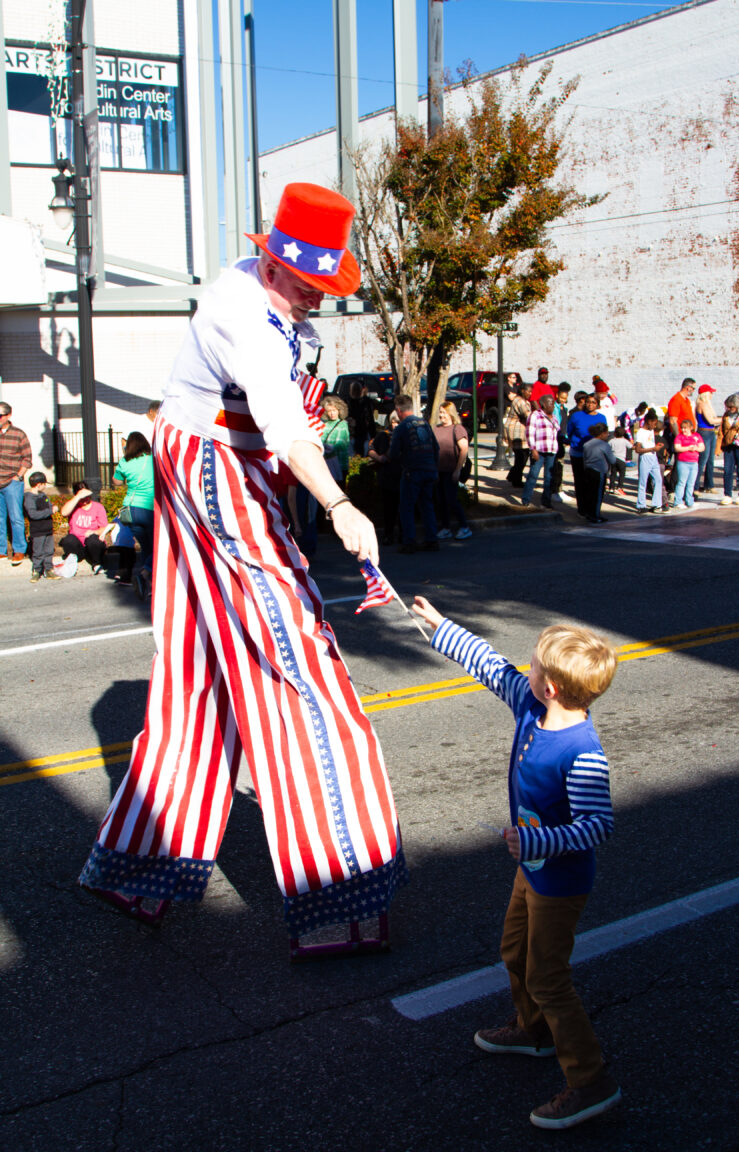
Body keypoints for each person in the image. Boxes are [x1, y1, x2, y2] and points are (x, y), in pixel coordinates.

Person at [80, 183, 407, 939]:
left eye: (323, 286)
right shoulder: (243, 316)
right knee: (301, 664)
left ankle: (140, 867)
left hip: (224, 462)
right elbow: (289, 430)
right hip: (214, 466)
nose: (311, 298)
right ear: (273, 262)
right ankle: (340, 897)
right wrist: (340, 505)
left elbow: (288, 426)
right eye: (304, 283)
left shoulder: (280, 310)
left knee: (200, 677)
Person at [411, 596, 620, 1132]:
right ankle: (534, 1032)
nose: (523, 668)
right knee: (514, 948)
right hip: (532, 870)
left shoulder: (582, 750)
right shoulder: (532, 708)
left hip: (560, 881)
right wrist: (441, 627)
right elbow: (488, 664)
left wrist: (538, 841)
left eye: (534, 665)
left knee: (549, 976)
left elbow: (598, 824)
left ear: (550, 686)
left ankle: (590, 1080)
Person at [389, 392, 440, 554]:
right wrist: (433, 466)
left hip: (412, 471)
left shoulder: (402, 428)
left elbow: (394, 454)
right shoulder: (424, 424)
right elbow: (436, 448)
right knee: (427, 505)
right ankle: (432, 539)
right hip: (429, 469)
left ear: (398, 410)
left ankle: (409, 542)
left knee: (407, 507)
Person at [113, 431, 154, 600]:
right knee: (157, 545)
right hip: (149, 508)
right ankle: (145, 574)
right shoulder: (153, 459)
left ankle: (149, 585)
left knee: (145, 546)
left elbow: (116, 482)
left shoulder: (124, 462)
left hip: (129, 508)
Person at [0, 401, 32, 565]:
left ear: (8, 416)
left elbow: (27, 458)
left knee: (16, 517)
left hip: (12, 481)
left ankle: (19, 550)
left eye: (0, 415)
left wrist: (18, 476)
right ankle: (1, 551)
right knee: (0, 519)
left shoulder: (19, 434)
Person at [434, 400, 471, 540]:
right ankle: (445, 528)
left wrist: (457, 470)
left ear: (450, 414)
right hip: (439, 470)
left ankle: (464, 526)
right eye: (440, 412)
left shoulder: (457, 429)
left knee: (451, 499)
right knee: (441, 500)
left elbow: (463, 449)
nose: (441, 415)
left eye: (444, 413)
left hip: (451, 470)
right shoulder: (436, 429)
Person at [566, 395, 607, 516]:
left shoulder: (601, 417)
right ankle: (582, 508)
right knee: (580, 481)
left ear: (597, 405)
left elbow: (603, 434)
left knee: (592, 482)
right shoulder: (576, 416)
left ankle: (592, 509)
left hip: (594, 455)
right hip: (578, 453)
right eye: (588, 402)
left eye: (593, 402)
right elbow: (570, 431)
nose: (590, 405)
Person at [59, 481, 109, 572]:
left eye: (87, 497)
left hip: (92, 545)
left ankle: (97, 564)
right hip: (78, 545)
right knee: (68, 540)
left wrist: (94, 532)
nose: (85, 500)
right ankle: (73, 561)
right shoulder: (73, 506)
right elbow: (64, 512)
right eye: (82, 498)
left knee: (93, 540)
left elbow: (104, 527)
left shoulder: (98, 507)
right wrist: (77, 497)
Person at [368, 409, 401, 545]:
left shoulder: (405, 435)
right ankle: (388, 534)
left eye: (398, 422)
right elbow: (370, 450)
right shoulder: (383, 435)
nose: (395, 425)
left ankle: (403, 535)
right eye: (393, 422)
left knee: (402, 508)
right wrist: (379, 457)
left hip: (402, 476)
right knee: (389, 508)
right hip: (387, 476)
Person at [521, 395, 559, 509]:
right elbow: (530, 433)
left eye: (553, 403)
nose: (552, 405)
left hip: (551, 450)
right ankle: (526, 499)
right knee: (533, 474)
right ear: (543, 404)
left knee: (549, 477)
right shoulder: (535, 415)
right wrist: (533, 449)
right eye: (550, 403)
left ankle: (546, 501)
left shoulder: (554, 417)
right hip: (539, 450)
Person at [23, 472, 59, 582]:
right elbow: (33, 514)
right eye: (44, 484)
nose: (45, 486)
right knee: (38, 551)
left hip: (48, 528)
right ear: (38, 484)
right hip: (38, 530)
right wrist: (50, 511)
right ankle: (37, 570)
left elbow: (48, 505)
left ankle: (49, 569)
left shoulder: (43, 495)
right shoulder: (29, 498)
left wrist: (51, 507)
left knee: (49, 550)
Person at [634, 408, 666, 514]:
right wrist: (652, 449)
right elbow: (638, 449)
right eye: (654, 423)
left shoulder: (651, 431)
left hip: (653, 457)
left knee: (658, 479)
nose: (655, 426)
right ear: (649, 421)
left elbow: (650, 444)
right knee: (643, 481)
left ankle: (656, 504)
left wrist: (655, 447)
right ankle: (641, 504)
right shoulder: (640, 432)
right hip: (645, 457)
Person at [582, 424, 616, 523]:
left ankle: (589, 513)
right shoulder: (604, 445)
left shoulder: (586, 444)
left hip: (588, 470)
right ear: (602, 434)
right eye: (606, 433)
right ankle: (596, 515)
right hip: (599, 471)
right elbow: (612, 460)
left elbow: (584, 458)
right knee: (598, 495)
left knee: (589, 493)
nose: (607, 435)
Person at [504, 383, 532, 487]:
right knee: (522, 455)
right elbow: (527, 415)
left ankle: (513, 476)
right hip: (517, 431)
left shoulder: (523, 401)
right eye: (528, 391)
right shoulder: (520, 401)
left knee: (521, 456)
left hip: (520, 430)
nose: (530, 393)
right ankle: (516, 479)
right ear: (522, 391)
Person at [672, 419, 704, 510]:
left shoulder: (697, 436)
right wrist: (688, 448)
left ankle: (689, 500)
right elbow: (677, 448)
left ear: (691, 428)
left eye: (685, 428)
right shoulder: (679, 437)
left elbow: (702, 447)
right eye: (682, 428)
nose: (683, 430)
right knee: (682, 482)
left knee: (691, 483)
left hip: (694, 463)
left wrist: (696, 448)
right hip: (683, 462)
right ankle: (678, 501)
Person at [320, 394, 350, 485]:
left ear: (339, 410)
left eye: (334, 410)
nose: (332, 413)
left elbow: (341, 444)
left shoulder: (343, 424)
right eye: (329, 411)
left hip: (339, 464)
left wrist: (327, 448)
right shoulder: (325, 424)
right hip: (326, 464)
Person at [694, 385, 719, 493]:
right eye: (710, 392)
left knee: (710, 460)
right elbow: (711, 420)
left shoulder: (707, 405)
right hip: (704, 432)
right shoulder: (702, 404)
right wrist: (725, 419)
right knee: (702, 460)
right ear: (705, 394)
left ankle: (709, 485)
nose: (712, 394)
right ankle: (695, 486)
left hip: (711, 432)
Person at [348, 380, 376, 457]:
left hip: (354, 431)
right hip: (364, 429)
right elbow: (371, 417)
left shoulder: (348, 402)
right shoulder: (367, 401)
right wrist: (373, 433)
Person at [607, 429, 629, 495]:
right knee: (622, 474)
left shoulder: (612, 441)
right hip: (621, 459)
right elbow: (631, 446)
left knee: (613, 473)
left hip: (613, 458)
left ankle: (611, 487)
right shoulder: (625, 441)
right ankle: (619, 487)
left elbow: (607, 447)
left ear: (615, 434)